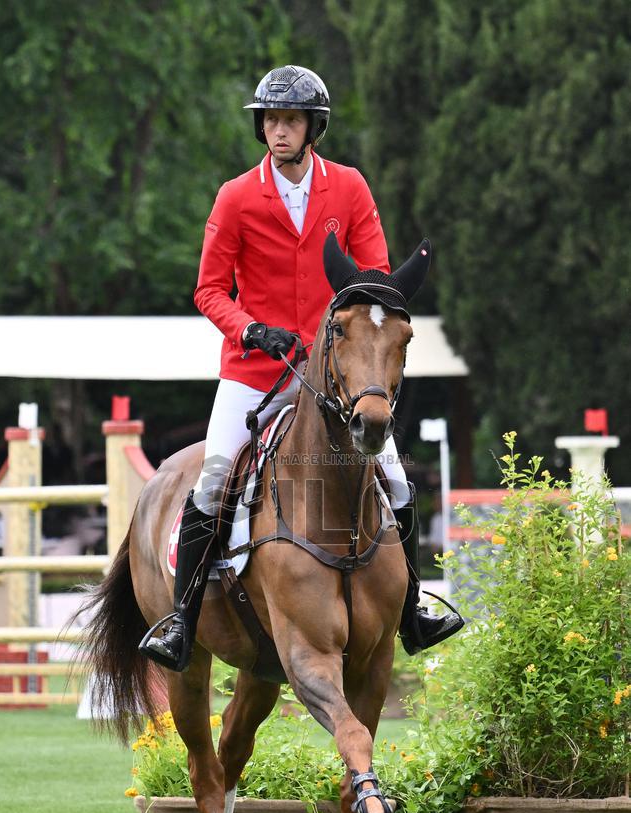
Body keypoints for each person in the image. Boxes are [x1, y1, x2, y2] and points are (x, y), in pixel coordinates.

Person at [141, 65, 463, 671]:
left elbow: (374, 286)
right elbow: (209, 290)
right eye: (269, 119)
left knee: (394, 479)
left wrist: (349, 339)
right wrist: (250, 329)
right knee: (212, 480)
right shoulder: (236, 197)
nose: (276, 129)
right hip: (253, 368)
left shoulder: (349, 188)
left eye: (289, 120)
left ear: (313, 127)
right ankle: (181, 620)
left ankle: (414, 607)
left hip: (334, 374)